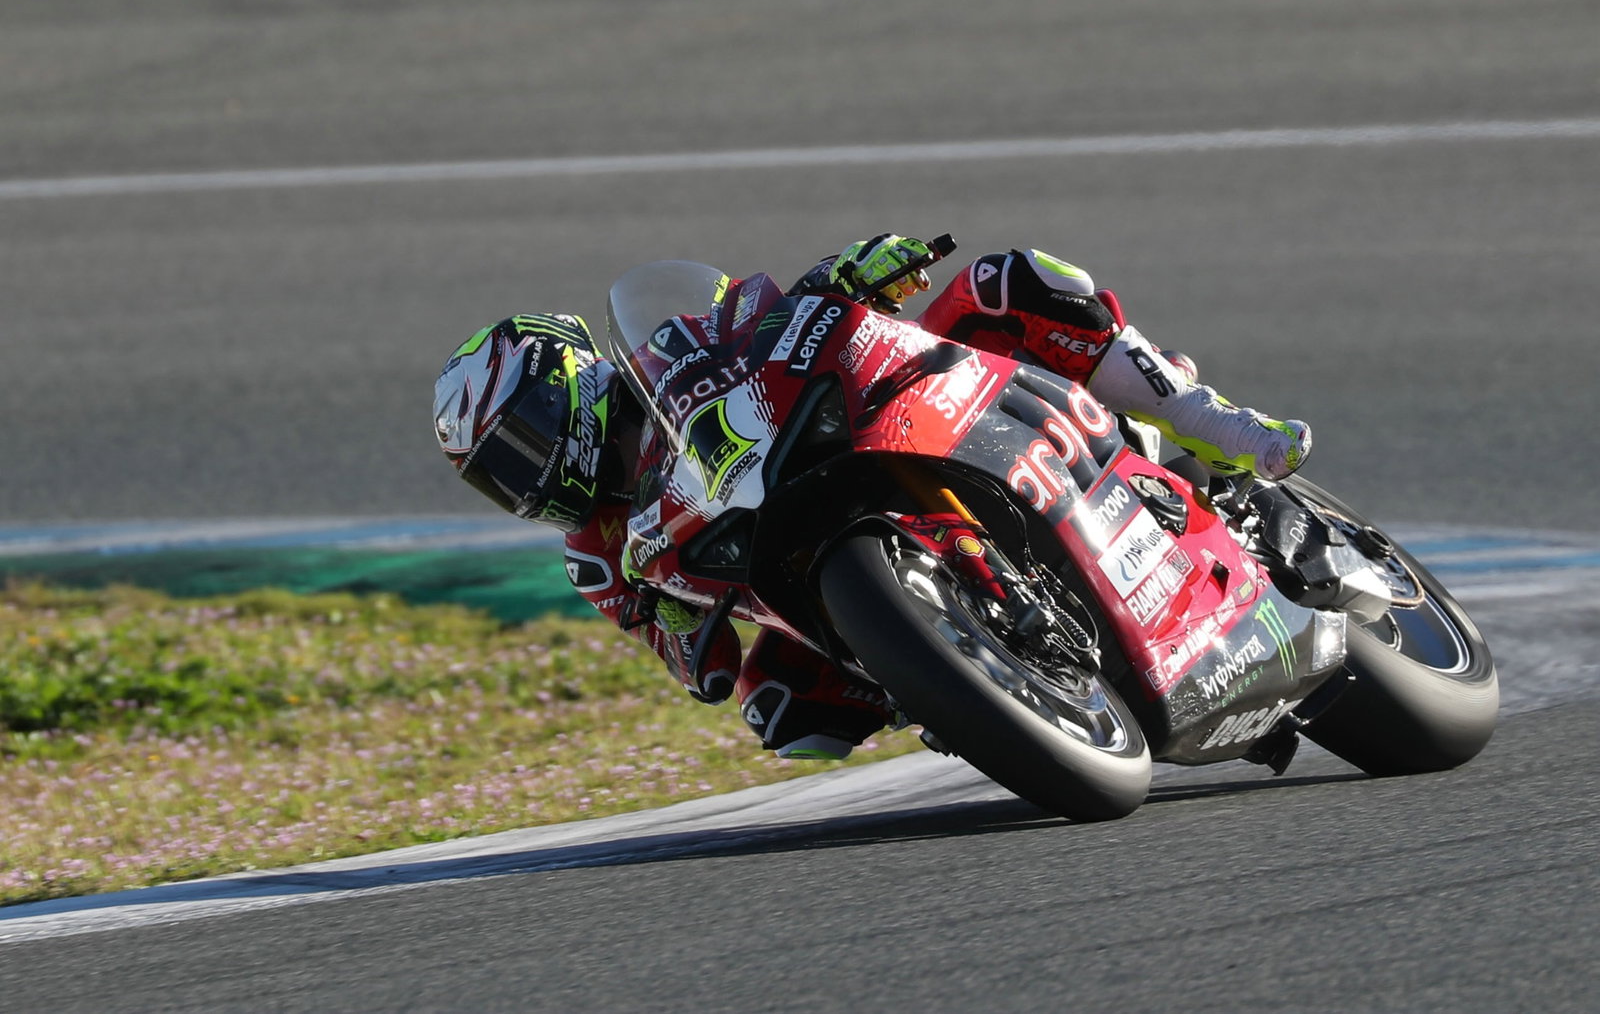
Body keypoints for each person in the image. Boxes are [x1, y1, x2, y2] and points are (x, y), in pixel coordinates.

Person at [432, 236, 1313, 761]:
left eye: (521, 442)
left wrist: (847, 274)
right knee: (781, 714)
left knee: (1009, 282)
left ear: (567, 384)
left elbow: (759, 317)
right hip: (795, 575)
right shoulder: (597, 553)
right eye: (498, 476)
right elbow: (690, 661)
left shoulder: (670, 346)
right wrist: (683, 634)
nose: (526, 476)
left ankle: (1209, 422)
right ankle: (957, 676)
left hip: (872, 429)